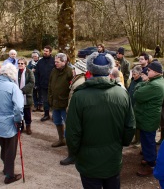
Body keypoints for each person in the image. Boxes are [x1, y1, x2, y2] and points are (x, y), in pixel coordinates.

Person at [66, 52, 135, 189]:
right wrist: (122, 143)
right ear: (110, 70)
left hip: (88, 160)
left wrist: (75, 152)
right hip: (113, 157)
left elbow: (72, 131)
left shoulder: (79, 96)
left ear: (90, 70)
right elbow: (130, 126)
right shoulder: (122, 93)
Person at [0, 63, 24, 184]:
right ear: (12, 74)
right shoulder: (12, 87)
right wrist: (18, 121)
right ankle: (9, 175)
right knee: (10, 150)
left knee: (4, 147)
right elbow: (18, 108)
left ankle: (6, 168)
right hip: (9, 122)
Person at [134, 61, 164, 176]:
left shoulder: (155, 85)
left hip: (148, 118)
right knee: (146, 140)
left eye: (149, 70)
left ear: (156, 72)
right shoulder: (155, 81)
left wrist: (139, 85)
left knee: (148, 141)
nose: (147, 71)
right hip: (147, 117)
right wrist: (143, 84)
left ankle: (151, 165)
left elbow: (137, 95)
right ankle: (148, 158)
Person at [48, 53, 73, 147]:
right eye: (55, 61)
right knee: (57, 121)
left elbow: (72, 88)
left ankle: (70, 142)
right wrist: (49, 98)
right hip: (55, 102)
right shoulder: (53, 71)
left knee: (69, 124)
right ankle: (61, 139)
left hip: (65, 103)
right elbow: (50, 85)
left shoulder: (70, 72)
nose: (55, 63)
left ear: (64, 62)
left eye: (57, 62)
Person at [35, 45, 55, 121]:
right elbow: (37, 74)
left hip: (53, 85)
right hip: (43, 85)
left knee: (53, 100)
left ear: (50, 52)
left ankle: (54, 115)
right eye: (44, 51)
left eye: (46, 51)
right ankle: (46, 114)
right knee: (45, 101)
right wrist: (37, 84)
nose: (45, 52)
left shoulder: (54, 61)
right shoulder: (40, 62)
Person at [17, 58, 35, 135]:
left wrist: (22, 90)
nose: (20, 65)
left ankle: (28, 126)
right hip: (17, 95)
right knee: (19, 112)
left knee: (27, 112)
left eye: (22, 63)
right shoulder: (15, 72)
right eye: (19, 63)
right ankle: (21, 126)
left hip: (26, 96)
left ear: (25, 64)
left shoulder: (29, 72)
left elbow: (31, 83)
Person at [127, 65, 142, 145]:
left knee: (138, 123)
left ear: (139, 74)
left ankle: (139, 140)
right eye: (132, 74)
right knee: (134, 123)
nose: (133, 76)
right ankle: (135, 138)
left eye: (135, 74)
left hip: (137, 106)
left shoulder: (141, 82)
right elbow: (129, 90)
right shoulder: (133, 81)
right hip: (131, 105)